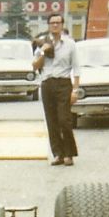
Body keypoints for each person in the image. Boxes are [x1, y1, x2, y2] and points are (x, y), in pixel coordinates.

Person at [32, 13, 80, 167]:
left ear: (62, 25)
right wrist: (43, 51)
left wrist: (75, 90)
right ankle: (58, 154)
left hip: (64, 83)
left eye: (58, 22)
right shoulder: (43, 43)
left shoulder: (70, 44)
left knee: (64, 120)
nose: (55, 25)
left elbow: (76, 68)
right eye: (52, 23)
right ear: (48, 25)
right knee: (52, 121)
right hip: (47, 84)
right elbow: (35, 66)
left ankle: (69, 154)